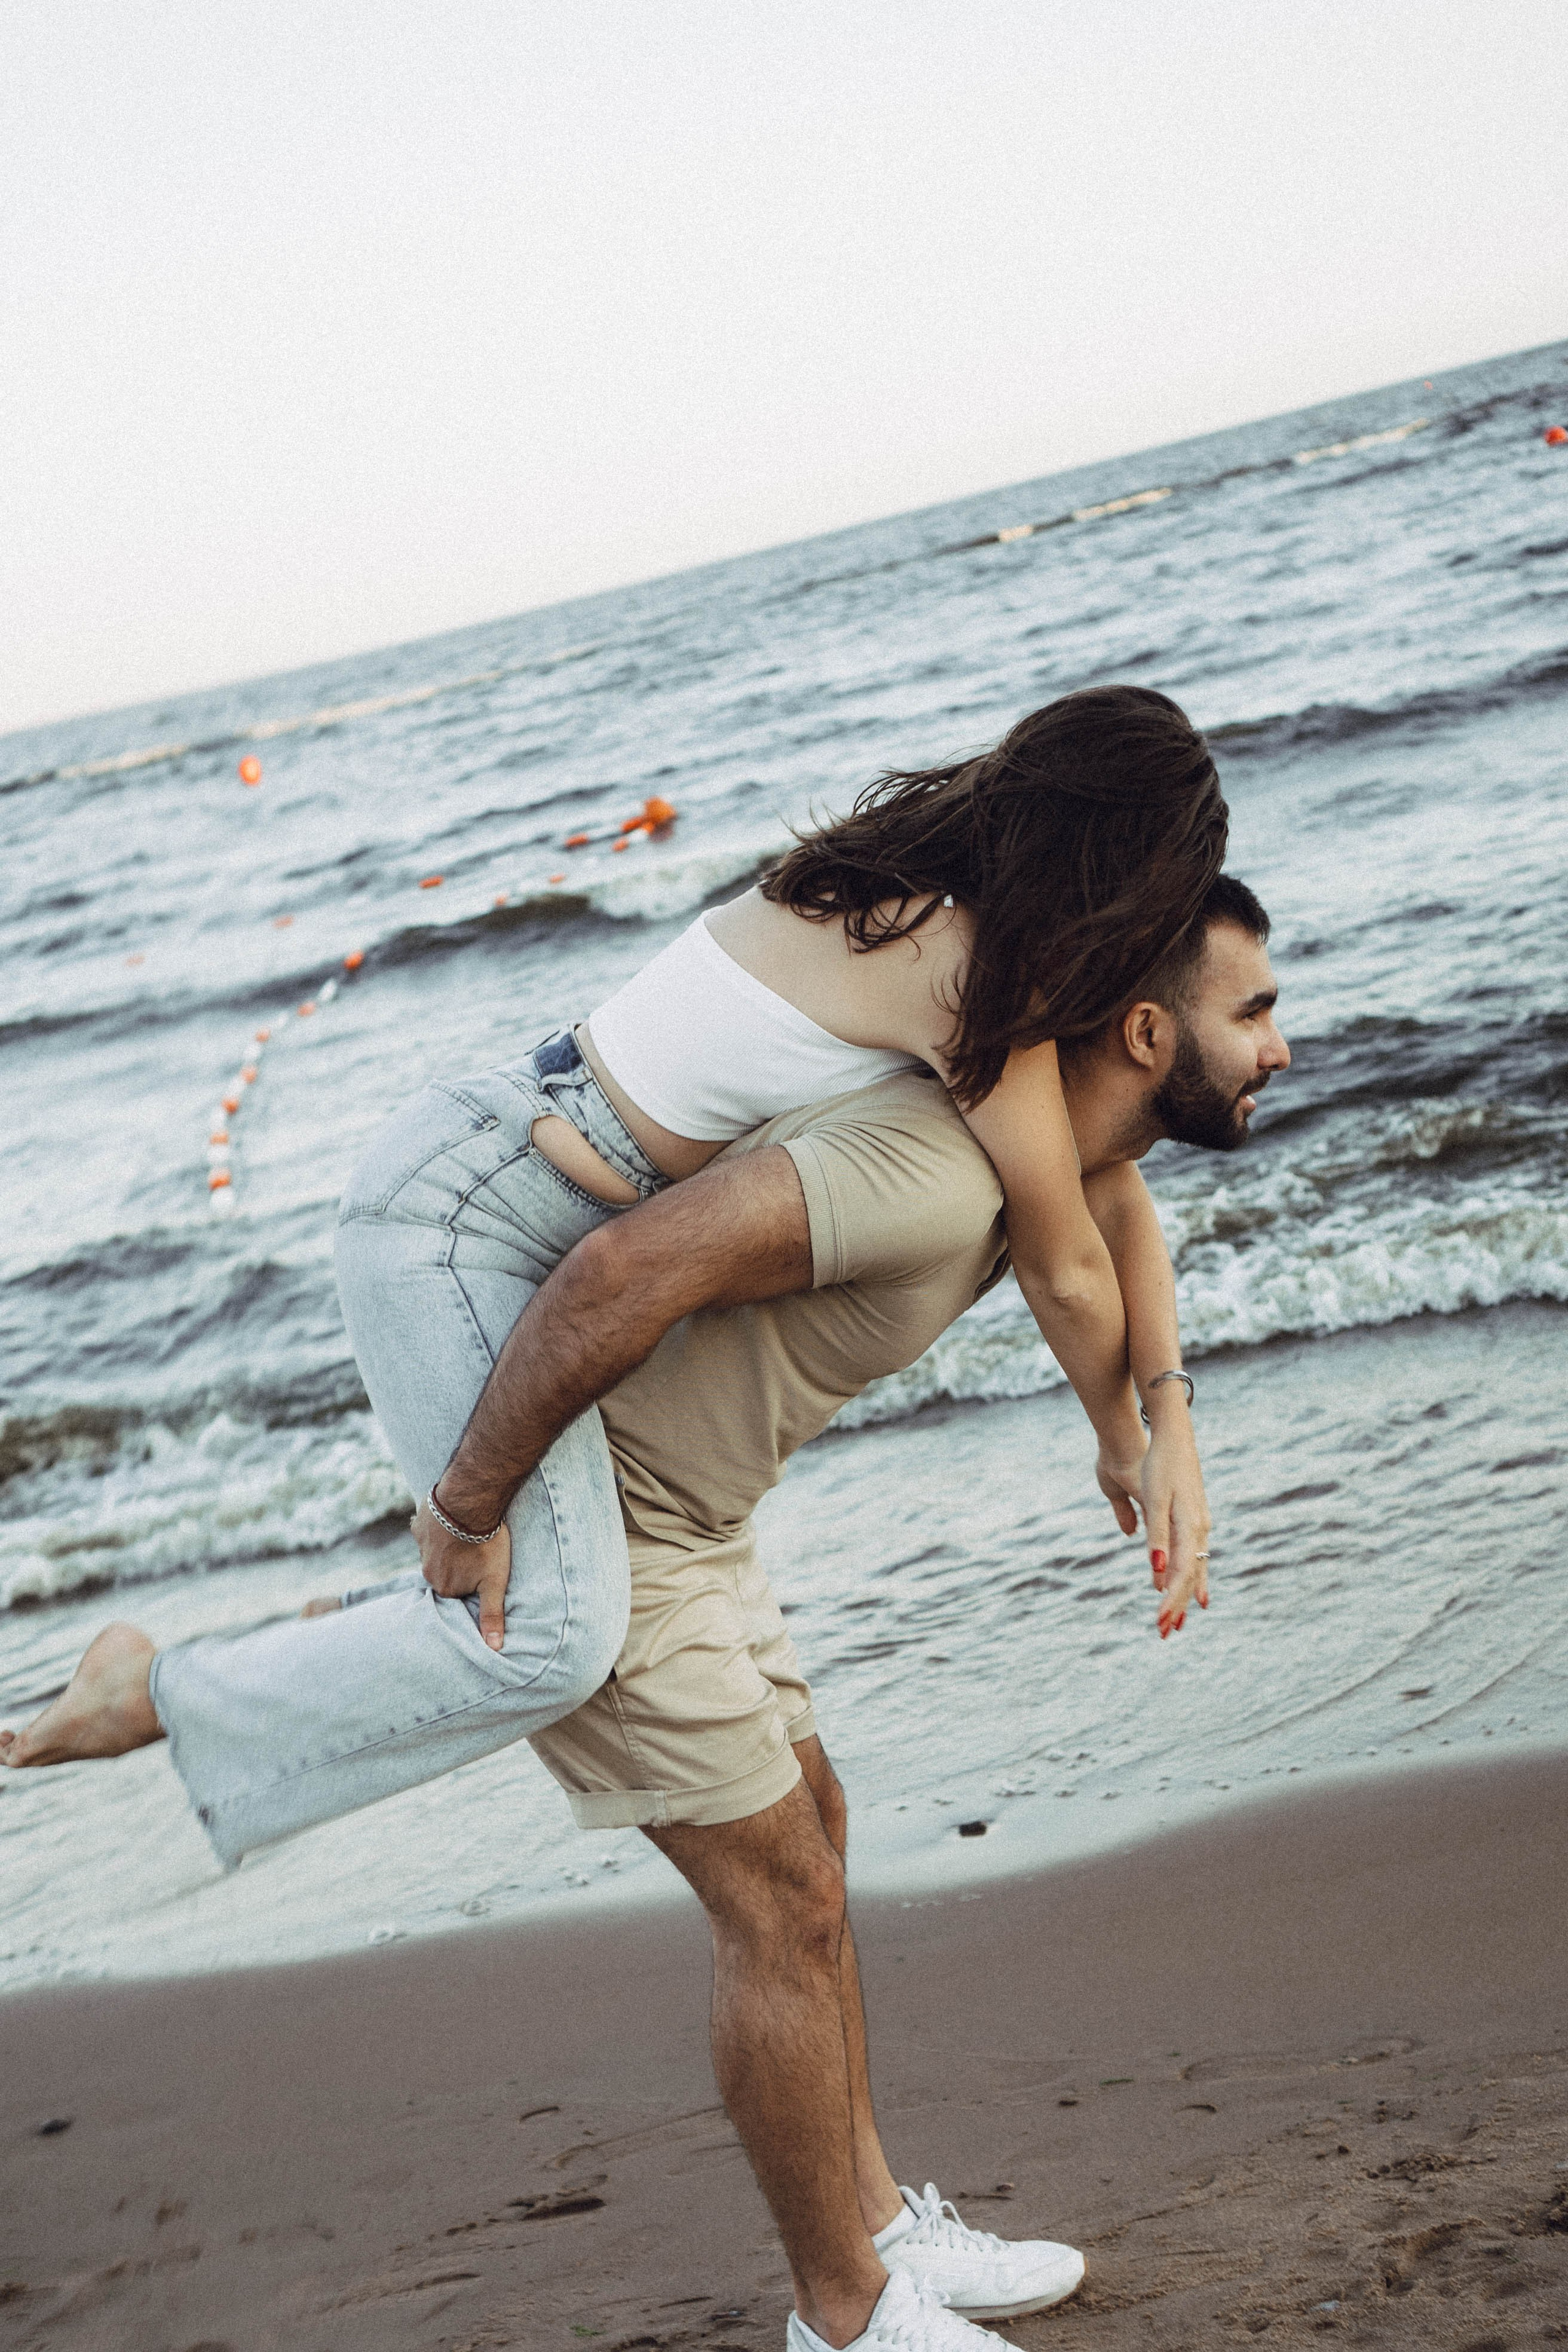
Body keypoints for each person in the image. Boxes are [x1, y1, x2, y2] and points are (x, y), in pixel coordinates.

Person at [2, 878, 1290, 2352]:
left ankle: (877, 2234)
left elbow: (1114, 1215)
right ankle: (845, 2315)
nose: (1280, 1044)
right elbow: (624, 1269)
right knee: (781, 1903)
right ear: (1139, 1029)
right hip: (611, 1527)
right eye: (1252, 1012)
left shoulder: (1046, 1163)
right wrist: (474, 1505)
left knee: (817, 1823)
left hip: (701, 1518)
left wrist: (1156, 1419)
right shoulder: (921, 1169)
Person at [6, 683, 1225, 1857]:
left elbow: (1092, 1187)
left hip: (505, 1187)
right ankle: (156, 1694)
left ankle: (239, 1664)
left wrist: (1157, 1406)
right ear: (1106, 864)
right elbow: (1064, 1265)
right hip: (460, 1219)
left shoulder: (901, 897)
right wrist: (1123, 1438)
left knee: (549, 1613)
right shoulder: (966, 973)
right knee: (551, 1637)